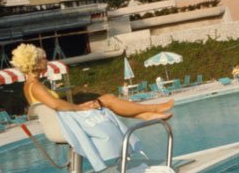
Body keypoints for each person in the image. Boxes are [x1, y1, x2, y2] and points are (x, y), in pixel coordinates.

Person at [11, 43, 173, 121]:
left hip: (65, 118)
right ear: (35, 62)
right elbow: (57, 105)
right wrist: (80, 108)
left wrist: (81, 107)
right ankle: (153, 108)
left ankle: (148, 114)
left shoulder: (29, 85)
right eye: (44, 58)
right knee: (108, 99)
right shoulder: (36, 86)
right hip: (67, 122)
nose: (47, 61)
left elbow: (55, 106)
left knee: (108, 99)